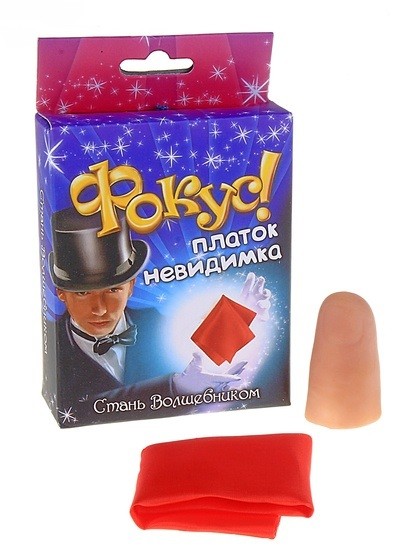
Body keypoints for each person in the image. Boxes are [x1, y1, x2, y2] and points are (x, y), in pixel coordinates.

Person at [48, 208, 267, 424]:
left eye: (113, 290)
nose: (100, 309)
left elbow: (198, 358)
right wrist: (177, 388)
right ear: (61, 293)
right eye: (83, 293)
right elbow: (81, 410)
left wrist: (240, 316)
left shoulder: (152, 322)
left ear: (130, 286)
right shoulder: (54, 349)